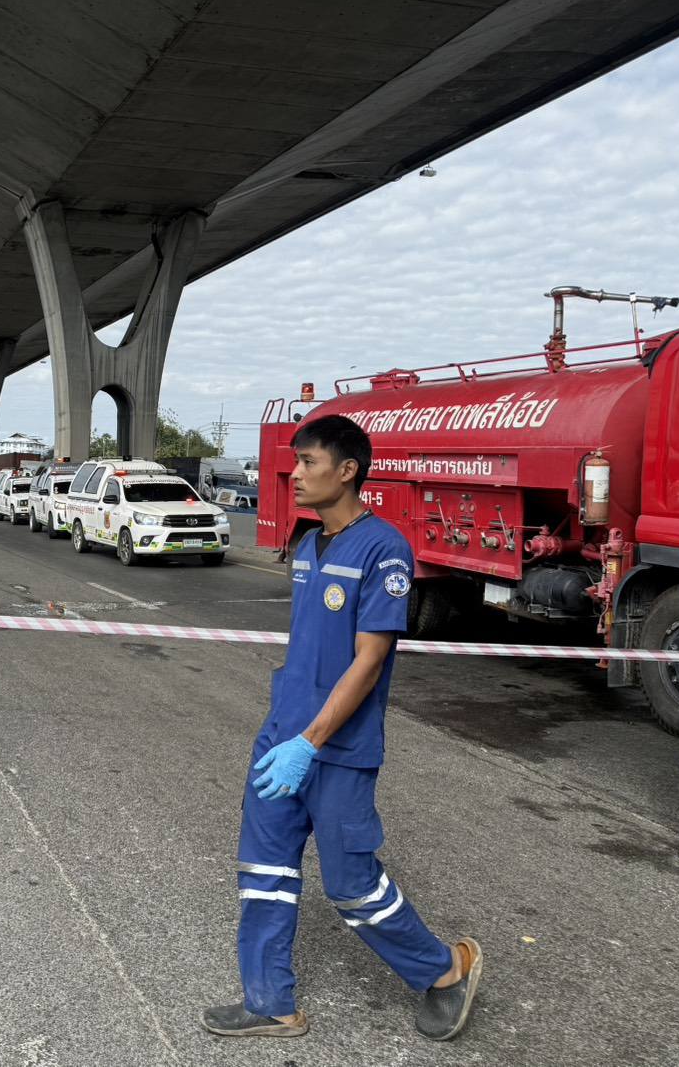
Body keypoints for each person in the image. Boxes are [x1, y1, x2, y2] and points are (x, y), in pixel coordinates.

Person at [202, 415, 481, 1043]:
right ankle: (270, 1001)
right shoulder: (307, 546)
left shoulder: (385, 549)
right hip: (282, 737)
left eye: (308, 462)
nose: (295, 475)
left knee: (351, 886)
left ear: (348, 470)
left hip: (338, 749)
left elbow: (369, 660)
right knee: (264, 872)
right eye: (295, 463)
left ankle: (444, 971)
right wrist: (287, 734)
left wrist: (312, 742)